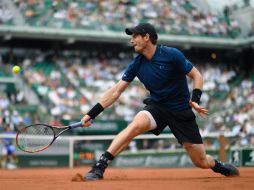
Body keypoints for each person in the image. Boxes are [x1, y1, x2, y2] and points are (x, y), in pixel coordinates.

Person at [81, 23, 239, 180]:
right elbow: (116, 92)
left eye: (135, 36)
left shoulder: (171, 54)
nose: (131, 40)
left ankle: (218, 165)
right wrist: (91, 114)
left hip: (180, 110)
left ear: (146, 37)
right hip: (157, 107)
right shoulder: (137, 64)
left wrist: (195, 99)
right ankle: (100, 166)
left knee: (201, 161)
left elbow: (197, 75)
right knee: (135, 125)